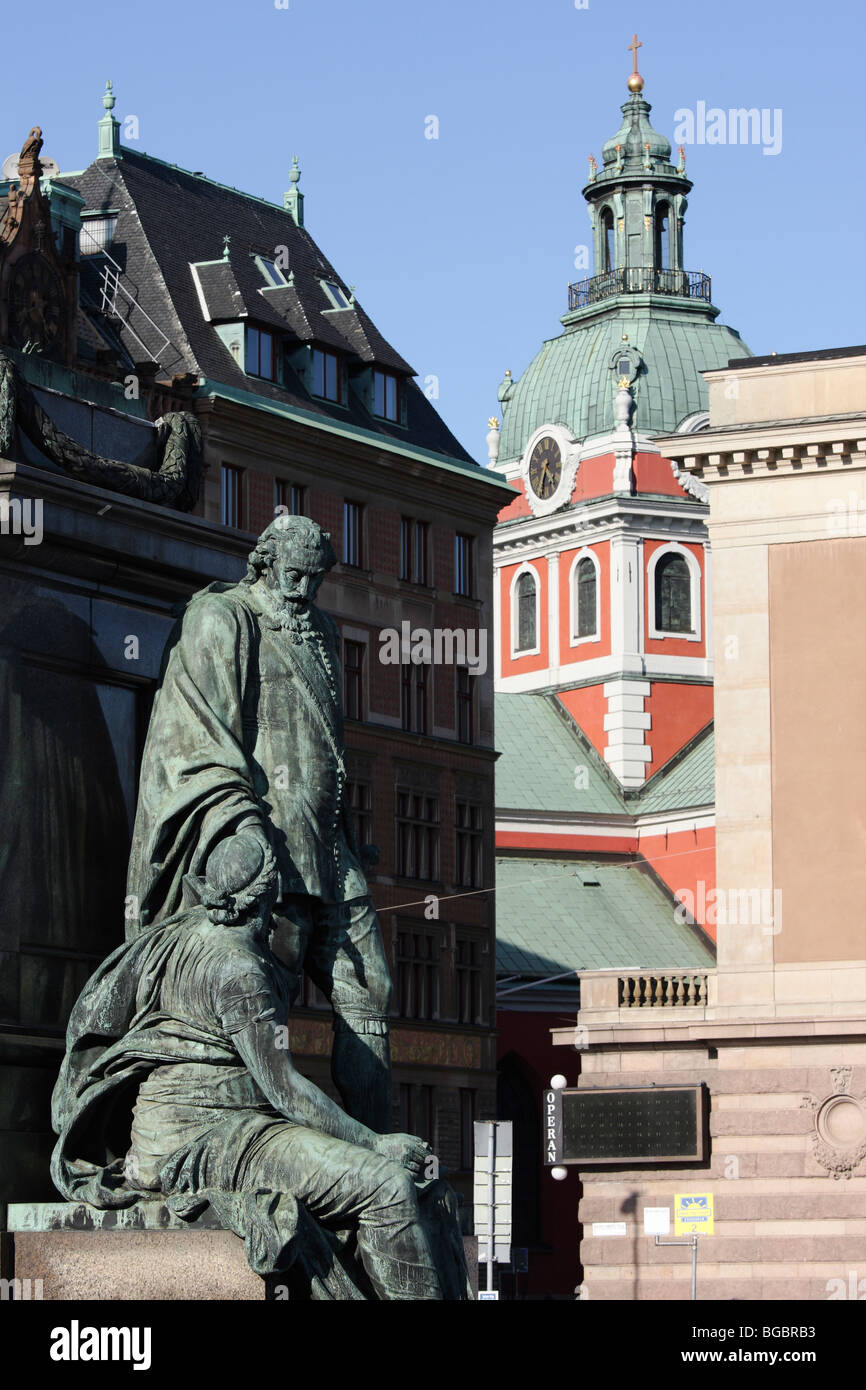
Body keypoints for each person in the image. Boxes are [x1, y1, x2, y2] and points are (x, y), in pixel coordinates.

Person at [52, 832, 470, 1300]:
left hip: (169, 1134)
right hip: (215, 1140)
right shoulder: (240, 969)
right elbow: (284, 1089)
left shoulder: (176, 936)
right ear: (268, 893)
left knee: (399, 1181)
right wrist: (376, 1142)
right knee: (387, 1184)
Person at [126, 515, 392, 1132]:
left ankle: (384, 1147)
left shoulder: (322, 629)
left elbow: (327, 747)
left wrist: (347, 833)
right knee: (265, 1000)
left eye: (315, 579)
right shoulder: (226, 619)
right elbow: (200, 740)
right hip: (267, 844)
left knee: (371, 988)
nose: (302, 591)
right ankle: (256, 1137)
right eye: (292, 577)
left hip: (328, 844)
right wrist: (238, 832)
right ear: (265, 564)